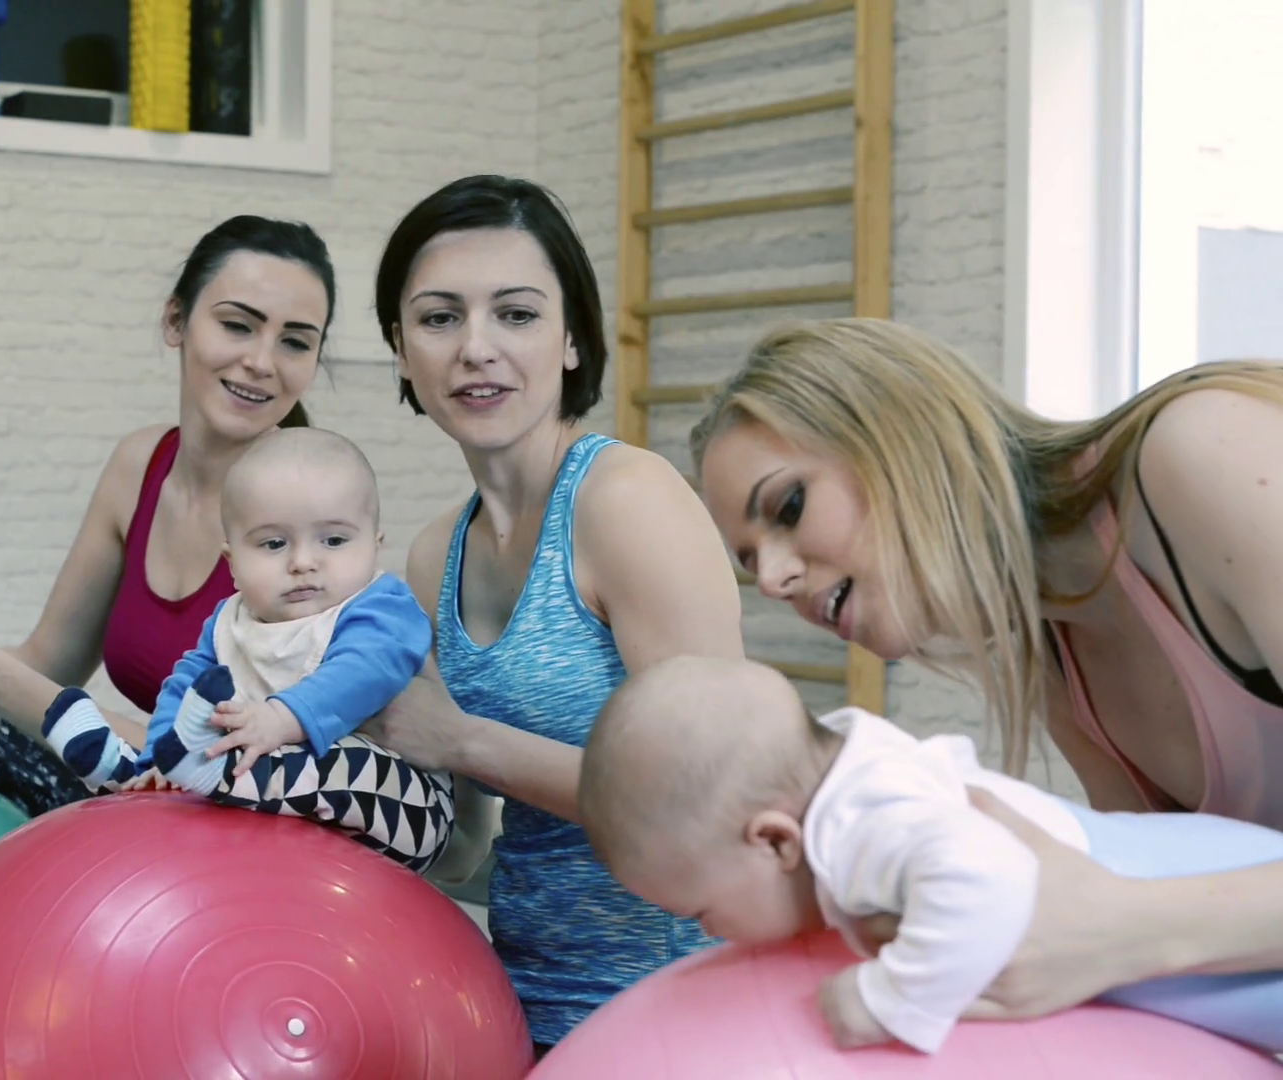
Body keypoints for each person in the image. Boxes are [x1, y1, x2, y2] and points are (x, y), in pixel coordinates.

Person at [689, 316, 1283, 1017]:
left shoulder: (1200, 453)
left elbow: (1126, 922)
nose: (772, 580)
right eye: (751, 561)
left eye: (789, 507)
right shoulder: (1060, 660)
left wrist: (1126, 926)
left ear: (899, 435)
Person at [349, 175, 749, 1053]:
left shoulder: (624, 500)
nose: (476, 349)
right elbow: (462, 843)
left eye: (517, 315)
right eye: (440, 318)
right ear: (401, 349)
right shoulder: (434, 555)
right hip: (514, 1000)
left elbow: (713, 798)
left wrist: (463, 741)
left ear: (571, 339)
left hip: (671, 1013)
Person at [0, 214, 336, 817]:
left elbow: (238, 765)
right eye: (238, 325)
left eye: (295, 342)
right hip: (145, 797)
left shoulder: (310, 512)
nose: (263, 361)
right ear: (175, 321)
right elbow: (47, 666)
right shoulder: (140, 465)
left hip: (240, 818)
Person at [578, 654, 1283, 1055]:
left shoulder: (861, 825)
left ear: (774, 840)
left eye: (700, 912)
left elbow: (987, 875)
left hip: (1212, 929)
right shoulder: (853, 772)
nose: (709, 933)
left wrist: (890, 1000)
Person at [42, 426, 460, 872]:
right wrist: (160, 756)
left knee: (343, 762)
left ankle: (213, 773)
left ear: (375, 545)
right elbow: (186, 687)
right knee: (196, 771)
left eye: (334, 540)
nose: (303, 562)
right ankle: (133, 774)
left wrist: (282, 718)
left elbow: (365, 670)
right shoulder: (230, 624)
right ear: (233, 563)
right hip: (280, 822)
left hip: (403, 808)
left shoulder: (381, 607)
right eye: (274, 544)